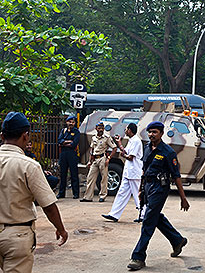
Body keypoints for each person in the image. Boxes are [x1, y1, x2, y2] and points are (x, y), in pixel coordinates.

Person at [0, 112, 68, 272]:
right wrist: (61, 229)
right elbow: (48, 205)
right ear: (25, 136)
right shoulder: (29, 166)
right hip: (17, 236)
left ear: (2, 136)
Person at [127, 121, 190, 271]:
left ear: (161, 134)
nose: (151, 135)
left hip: (160, 188)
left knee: (148, 220)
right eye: (149, 132)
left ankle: (138, 256)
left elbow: (176, 176)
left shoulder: (168, 152)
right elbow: (144, 170)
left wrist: (183, 197)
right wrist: (141, 190)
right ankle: (177, 240)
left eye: (155, 132)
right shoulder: (147, 148)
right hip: (148, 187)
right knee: (155, 217)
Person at [102, 123, 143, 222]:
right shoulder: (131, 141)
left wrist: (123, 155)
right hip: (128, 172)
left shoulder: (137, 141)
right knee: (121, 193)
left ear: (130, 130)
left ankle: (143, 214)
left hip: (133, 172)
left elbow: (130, 157)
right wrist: (119, 143)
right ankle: (114, 214)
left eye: (126, 129)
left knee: (138, 194)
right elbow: (125, 151)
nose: (125, 131)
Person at [80, 122, 117, 203]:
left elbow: (114, 148)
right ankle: (88, 197)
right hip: (95, 159)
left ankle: (102, 196)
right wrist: (90, 161)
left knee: (104, 178)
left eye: (102, 128)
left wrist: (109, 158)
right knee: (90, 177)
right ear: (96, 128)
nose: (100, 130)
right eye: (99, 128)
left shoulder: (106, 137)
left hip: (102, 158)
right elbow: (91, 149)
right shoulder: (94, 138)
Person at [57, 116, 80, 199]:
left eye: (73, 122)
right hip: (63, 154)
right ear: (66, 122)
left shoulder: (76, 132)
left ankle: (76, 193)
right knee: (63, 174)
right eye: (69, 121)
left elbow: (74, 144)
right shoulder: (63, 131)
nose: (71, 123)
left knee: (74, 174)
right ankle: (61, 193)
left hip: (72, 154)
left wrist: (64, 142)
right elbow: (59, 141)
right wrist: (68, 141)